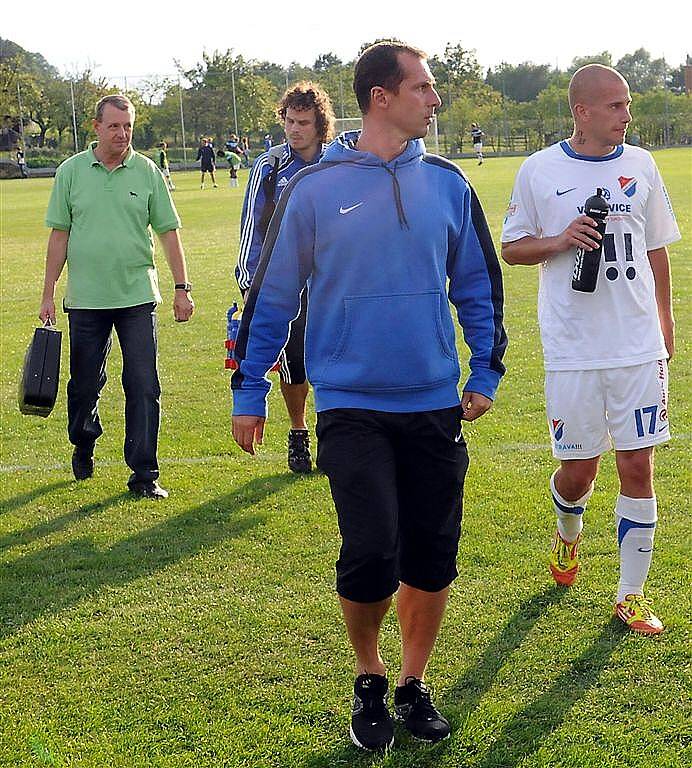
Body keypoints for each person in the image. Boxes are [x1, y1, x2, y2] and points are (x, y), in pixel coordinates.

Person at [231, 42, 506, 750]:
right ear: (381, 97)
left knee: (432, 553)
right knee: (371, 549)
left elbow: (478, 287)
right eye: (424, 87)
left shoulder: (447, 184)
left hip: (434, 403)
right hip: (350, 403)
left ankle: (413, 684)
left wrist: (484, 373)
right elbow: (273, 294)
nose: (435, 100)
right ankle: (369, 676)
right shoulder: (314, 188)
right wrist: (249, 386)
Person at [501, 64, 680, 635]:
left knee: (637, 462)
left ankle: (630, 596)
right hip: (573, 348)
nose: (627, 114)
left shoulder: (643, 164)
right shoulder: (539, 170)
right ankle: (567, 538)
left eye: (627, 104)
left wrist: (665, 320)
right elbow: (512, 247)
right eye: (615, 105)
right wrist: (560, 240)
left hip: (635, 345)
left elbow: (656, 250)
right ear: (582, 111)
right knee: (579, 471)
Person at [39, 94, 195, 499]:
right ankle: (83, 440)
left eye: (127, 126)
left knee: (144, 384)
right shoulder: (70, 172)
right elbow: (59, 236)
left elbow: (168, 232)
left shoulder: (146, 172)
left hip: (137, 296)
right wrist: (47, 294)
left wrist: (182, 288)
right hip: (87, 299)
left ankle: (144, 474)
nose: (122, 133)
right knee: (84, 385)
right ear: (96, 127)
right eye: (114, 126)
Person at [235, 82, 336, 473]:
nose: (294, 130)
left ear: (319, 125)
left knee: (331, 360)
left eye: (303, 122)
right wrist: (250, 284)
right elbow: (252, 228)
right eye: (290, 121)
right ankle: (299, 432)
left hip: (331, 284)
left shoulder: (338, 164)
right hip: (284, 286)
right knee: (293, 363)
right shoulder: (270, 165)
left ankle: (332, 432)